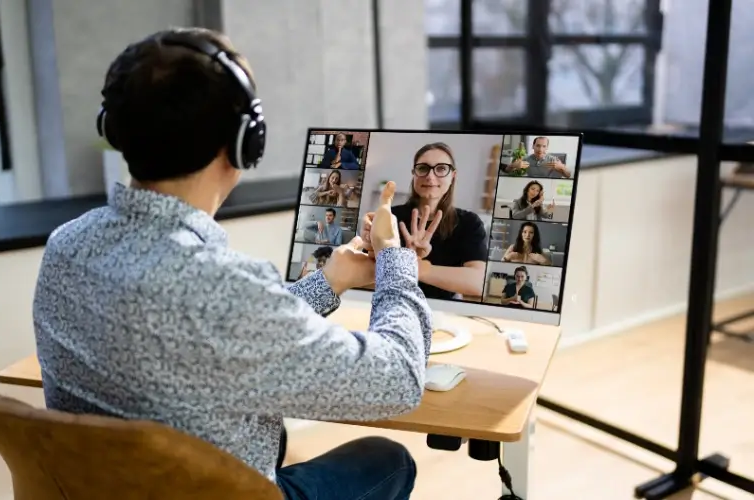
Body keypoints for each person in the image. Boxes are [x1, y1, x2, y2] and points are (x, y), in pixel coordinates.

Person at [32, 27, 432, 500]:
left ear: (114, 128)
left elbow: (221, 335)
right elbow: (400, 379)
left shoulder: (65, 247)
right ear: (246, 143)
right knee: (388, 461)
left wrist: (330, 281)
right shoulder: (223, 289)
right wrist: (395, 259)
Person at [361, 142, 488, 301]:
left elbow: (477, 282)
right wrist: (368, 244)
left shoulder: (469, 222)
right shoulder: (391, 216)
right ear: (414, 173)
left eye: (441, 169)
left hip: (445, 307)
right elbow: (364, 276)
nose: (430, 176)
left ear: (453, 176)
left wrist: (415, 267)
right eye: (423, 168)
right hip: (394, 302)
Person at [506, 137, 572, 178]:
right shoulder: (526, 159)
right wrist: (513, 165)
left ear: (547, 148)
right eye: (538, 145)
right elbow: (507, 170)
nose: (540, 149)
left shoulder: (553, 160)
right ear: (533, 146)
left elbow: (568, 175)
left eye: (544, 146)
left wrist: (562, 167)